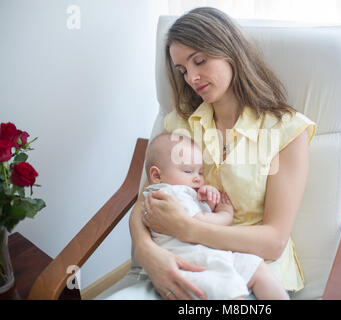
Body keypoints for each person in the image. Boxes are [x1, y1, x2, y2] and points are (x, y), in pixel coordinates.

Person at [99, 7, 316, 300]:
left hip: (253, 274)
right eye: (183, 70)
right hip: (182, 263)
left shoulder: (286, 130)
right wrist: (146, 251)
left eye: (199, 61)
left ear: (230, 52)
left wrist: (188, 228)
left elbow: (274, 240)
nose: (192, 78)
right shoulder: (177, 124)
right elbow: (147, 201)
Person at [140, 132, 289, 300]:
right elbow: (200, 222)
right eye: (188, 171)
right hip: (192, 261)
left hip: (209, 252)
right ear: (157, 176)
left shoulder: (178, 192)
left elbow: (195, 216)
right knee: (228, 286)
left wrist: (208, 202)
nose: (197, 178)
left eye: (201, 173)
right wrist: (225, 213)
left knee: (254, 266)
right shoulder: (170, 193)